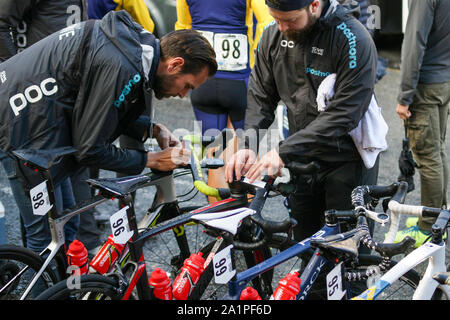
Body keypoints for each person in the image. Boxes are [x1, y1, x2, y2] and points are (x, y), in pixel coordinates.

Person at [0, 10, 217, 255]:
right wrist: (151, 159)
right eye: (186, 85)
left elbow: (104, 104)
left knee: (67, 227)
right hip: (19, 131)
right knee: (46, 241)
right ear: (175, 64)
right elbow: (89, 149)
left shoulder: (134, 46)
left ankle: (65, 290)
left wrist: (151, 128)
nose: (183, 95)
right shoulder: (121, 65)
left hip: (40, 127)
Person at [225, 0, 380, 243]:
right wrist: (248, 144)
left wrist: (283, 152)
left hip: (346, 160)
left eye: (290, 20)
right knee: (306, 246)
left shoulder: (353, 39)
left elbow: (345, 113)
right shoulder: (273, 35)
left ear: (315, 5)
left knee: (349, 252)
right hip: (301, 159)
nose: (283, 27)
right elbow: (260, 96)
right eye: (276, 19)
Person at [0, 0, 96, 248]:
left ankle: (64, 281)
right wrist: (20, 79)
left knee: (65, 224)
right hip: (28, 113)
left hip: (55, 106)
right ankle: (40, 281)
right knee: (43, 233)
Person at [175, 0, 273, 202]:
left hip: (202, 79)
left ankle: (218, 228)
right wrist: (255, 62)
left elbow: (182, 28)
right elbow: (264, 22)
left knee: (215, 156)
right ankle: (241, 226)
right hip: (238, 79)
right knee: (242, 156)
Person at [394, 0, 450, 246]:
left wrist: (405, 96)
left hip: (426, 85)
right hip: (443, 79)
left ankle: (429, 227)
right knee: (436, 153)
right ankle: (439, 219)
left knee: (428, 157)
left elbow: (414, 44)